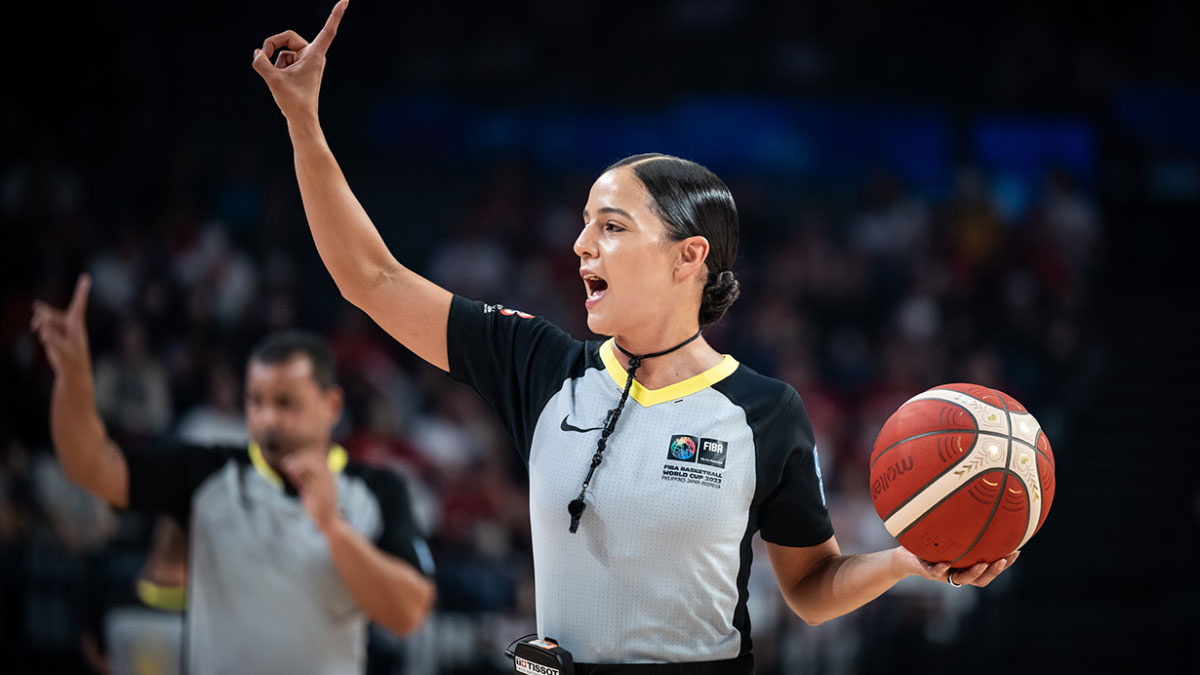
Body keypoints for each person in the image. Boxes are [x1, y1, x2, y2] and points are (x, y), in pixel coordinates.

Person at [251, 2, 1018, 670]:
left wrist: (904, 560)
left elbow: (811, 592)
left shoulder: (765, 410)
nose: (582, 244)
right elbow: (370, 278)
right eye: (584, 224)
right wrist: (304, 124)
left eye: (611, 226)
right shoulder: (540, 365)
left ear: (690, 256)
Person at [30, 281, 436, 675]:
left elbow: (409, 613)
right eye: (255, 401)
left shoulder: (378, 489)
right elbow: (90, 467)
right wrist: (74, 379)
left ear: (331, 405)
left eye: (285, 403)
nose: (267, 418)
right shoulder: (206, 472)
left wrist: (334, 528)